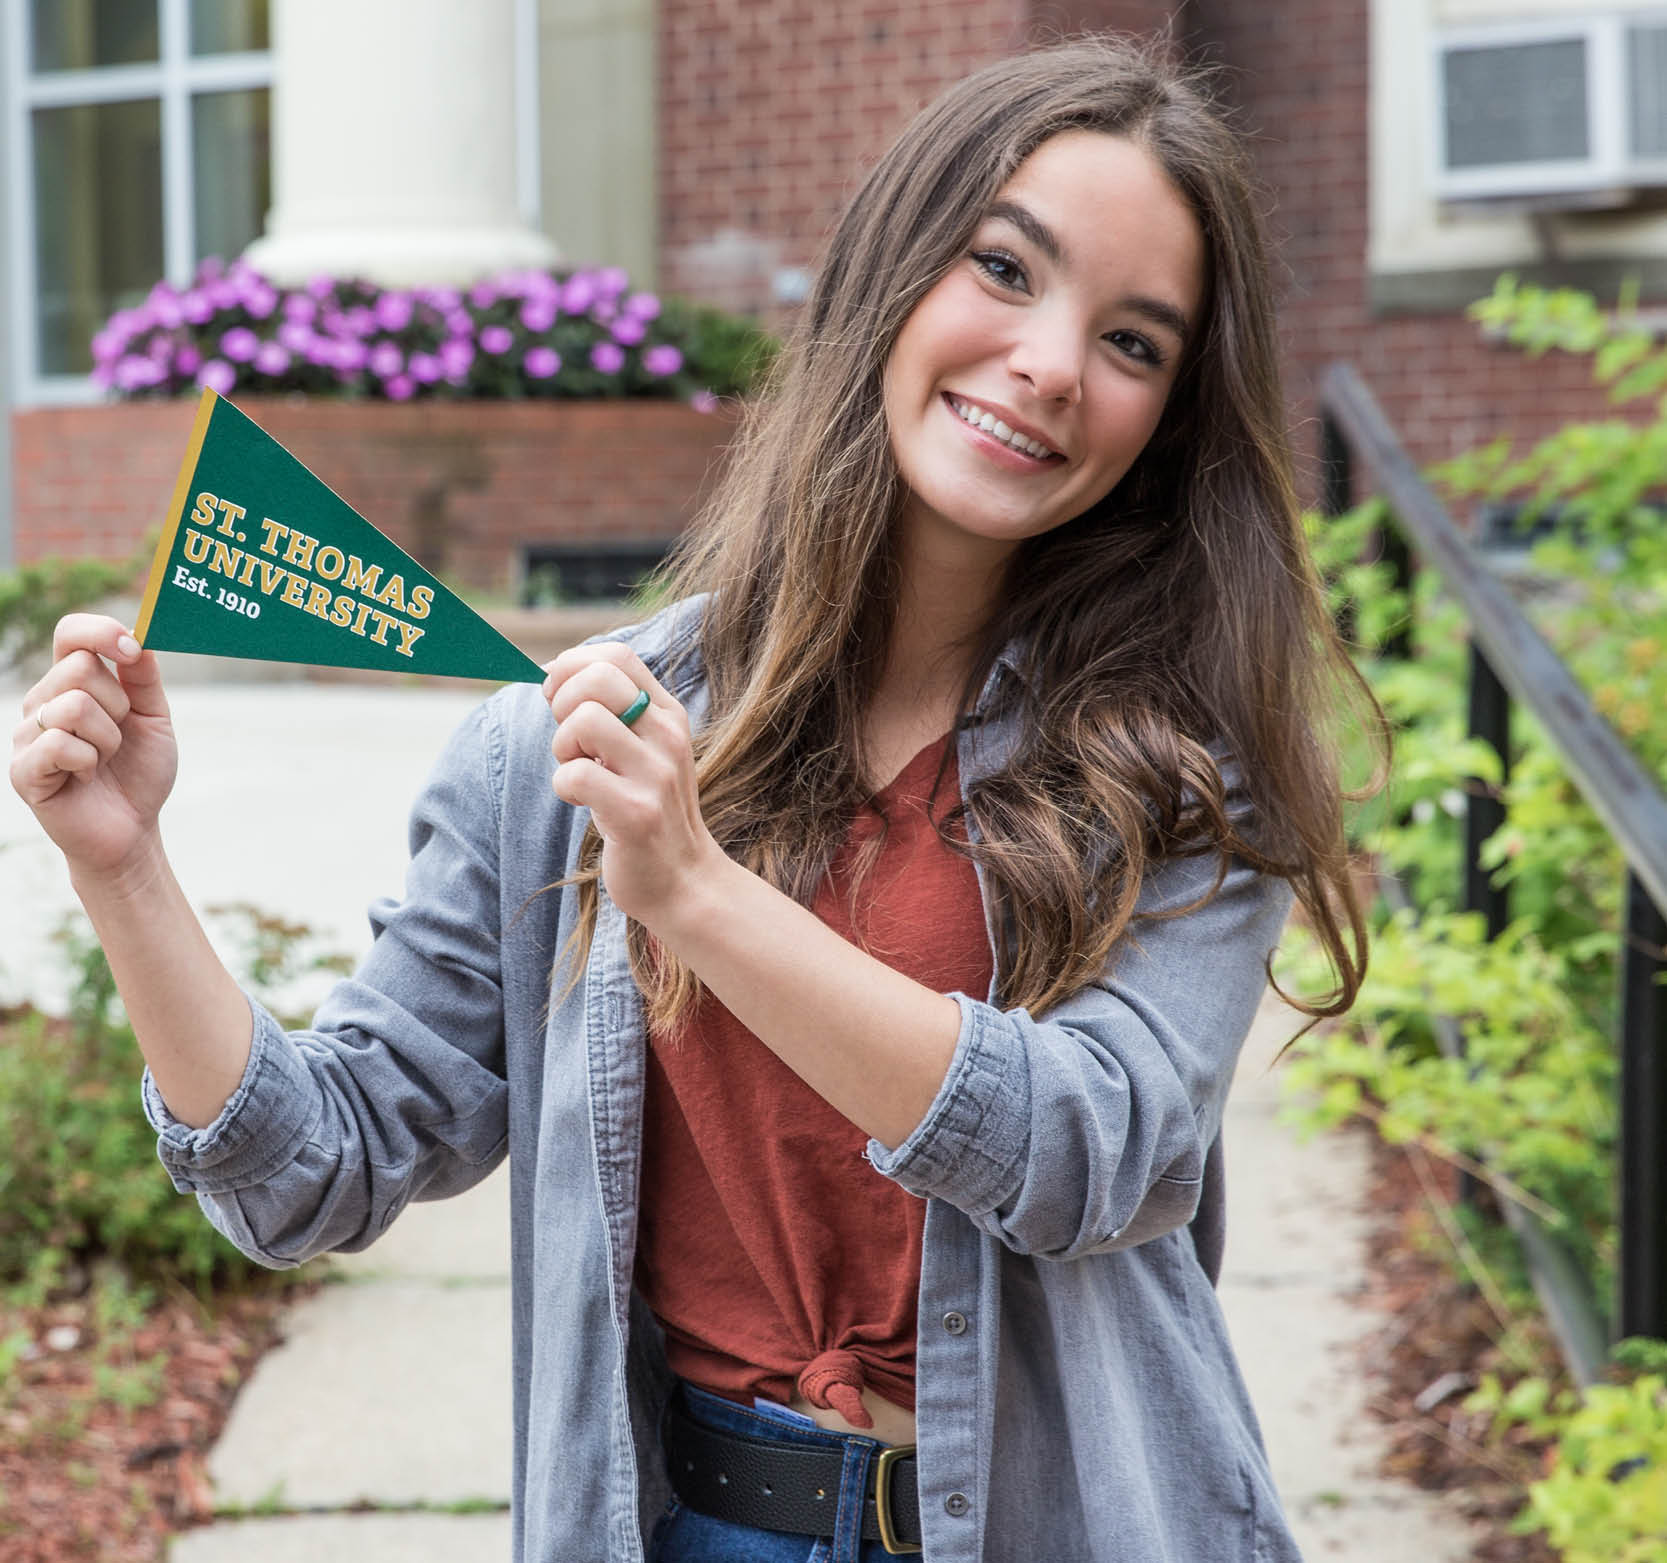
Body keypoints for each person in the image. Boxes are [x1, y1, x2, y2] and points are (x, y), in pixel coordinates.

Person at [10, 34, 1380, 1563]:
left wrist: (698, 896)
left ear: (1167, 421)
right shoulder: (565, 752)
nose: (1054, 362)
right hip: (699, 1525)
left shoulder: (1184, 763)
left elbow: (1096, 1154)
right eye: (1005, 269)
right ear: (889, 274)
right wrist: (123, 869)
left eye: (1134, 344)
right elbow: (312, 1173)